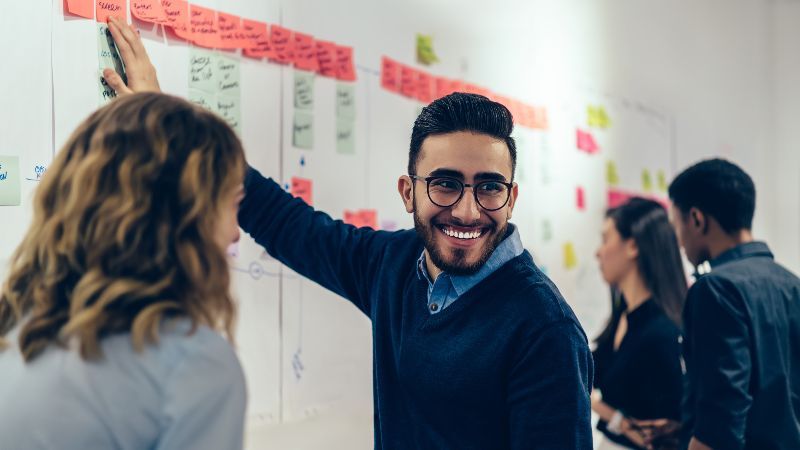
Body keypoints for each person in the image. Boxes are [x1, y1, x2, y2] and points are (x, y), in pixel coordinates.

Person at [101, 16, 594, 449]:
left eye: (489, 188)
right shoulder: (396, 266)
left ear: (511, 197)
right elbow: (288, 224)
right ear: (408, 192)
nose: (467, 211)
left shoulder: (544, 329)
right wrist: (168, 124)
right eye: (445, 184)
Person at [0, 93, 248, 449]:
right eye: (230, 204)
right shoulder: (194, 367)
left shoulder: (15, 321)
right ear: (182, 220)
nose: (235, 232)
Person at [667, 158, 800, 450]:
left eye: (677, 226)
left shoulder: (715, 289)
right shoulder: (793, 284)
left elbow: (721, 419)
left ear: (697, 219)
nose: (679, 242)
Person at [592, 198, 687, 450]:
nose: (598, 252)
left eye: (605, 240)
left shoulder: (663, 332)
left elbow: (664, 438)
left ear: (632, 246)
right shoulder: (621, 318)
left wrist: (604, 411)